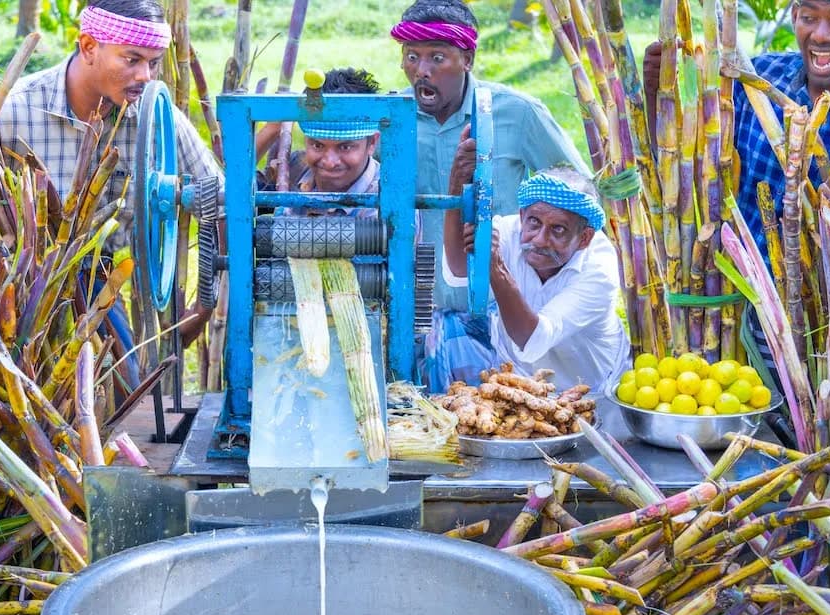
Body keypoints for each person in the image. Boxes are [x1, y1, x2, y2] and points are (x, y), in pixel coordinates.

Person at [0, 0, 222, 342]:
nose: (145, 77)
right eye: (132, 60)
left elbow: (219, 197)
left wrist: (202, 308)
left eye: (154, 64)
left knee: (125, 383)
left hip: (95, 282)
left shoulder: (153, 115)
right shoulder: (11, 112)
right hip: (14, 282)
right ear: (89, 47)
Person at [390, 0, 589, 388]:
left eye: (437, 57)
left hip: (502, 313)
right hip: (415, 310)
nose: (422, 70)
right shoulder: (390, 120)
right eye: (411, 57)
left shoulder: (517, 113)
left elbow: (577, 194)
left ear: (467, 58)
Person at [643, 0, 830, 256]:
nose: (821, 35)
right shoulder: (758, 78)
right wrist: (655, 94)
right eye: (809, 17)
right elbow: (687, 176)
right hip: (730, 311)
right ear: (795, 16)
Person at [432, 133, 629, 390]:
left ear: (584, 238)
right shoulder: (510, 231)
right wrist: (457, 183)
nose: (540, 240)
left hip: (591, 395)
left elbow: (533, 339)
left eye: (558, 230)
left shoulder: (599, 268)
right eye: (534, 223)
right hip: (522, 388)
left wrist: (496, 268)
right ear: (522, 215)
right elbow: (458, 271)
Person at [255, 68, 384, 216]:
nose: (330, 162)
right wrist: (272, 129)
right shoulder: (295, 168)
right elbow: (235, 190)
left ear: (372, 143)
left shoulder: (390, 202)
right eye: (317, 145)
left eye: (345, 147)